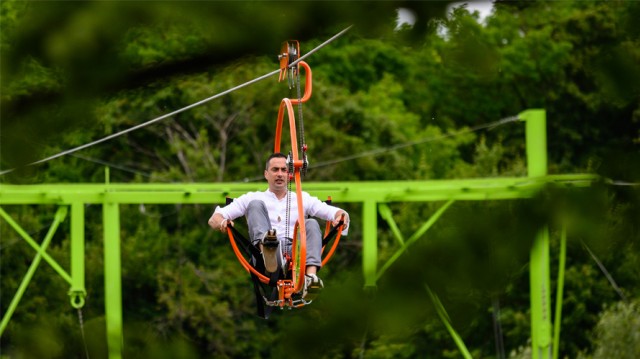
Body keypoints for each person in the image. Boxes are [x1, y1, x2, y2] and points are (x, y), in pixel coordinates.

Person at [208, 152, 349, 300]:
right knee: (255, 205)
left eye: (284, 170)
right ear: (266, 174)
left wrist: (340, 216)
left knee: (311, 223)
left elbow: (335, 213)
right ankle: (269, 253)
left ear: (290, 175)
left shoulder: (302, 199)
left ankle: (310, 278)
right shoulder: (253, 197)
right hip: (264, 254)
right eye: (275, 170)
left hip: (296, 255)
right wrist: (223, 222)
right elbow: (214, 218)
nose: (280, 174)